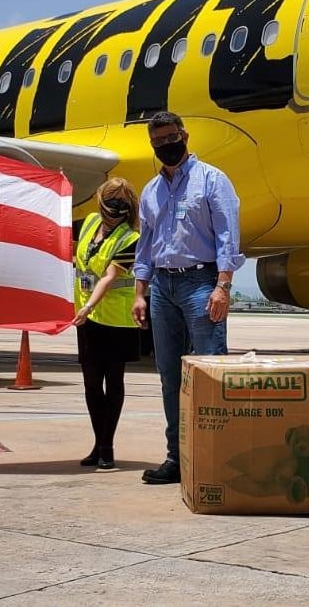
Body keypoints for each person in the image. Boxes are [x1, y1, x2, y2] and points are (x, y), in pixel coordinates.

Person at [132, 111, 244, 485]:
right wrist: (140, 292)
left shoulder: (212, 180)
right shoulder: (151, 190)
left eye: (170, 138)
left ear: (184, 135)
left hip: (201, 282)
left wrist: (223, 286)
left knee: (210, 370)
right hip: (162, 287)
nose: (166, 146)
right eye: (158, 142)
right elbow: (145, 246)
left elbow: (228, 234)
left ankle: (216, 455)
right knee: (169, 375)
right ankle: (177, 458)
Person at [71, 177, 142, 471]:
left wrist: (87, 306)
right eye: (108, 208)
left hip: (115, 320)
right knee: (90, 383)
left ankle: (107, 447)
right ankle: (97, 443)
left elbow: (110, 276)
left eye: (118, 209)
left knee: (113, 382)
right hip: (87, 318)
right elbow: (76, 251)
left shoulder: (131, 239)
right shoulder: (89, 222)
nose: (112, 215)